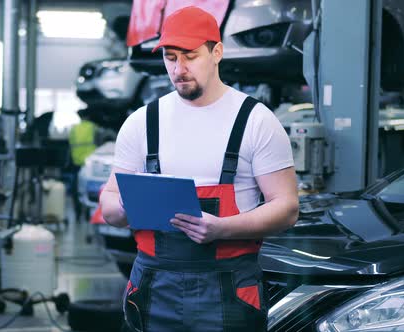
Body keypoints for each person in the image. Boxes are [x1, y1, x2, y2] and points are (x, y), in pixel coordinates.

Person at [100, 6, 299, 332]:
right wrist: (123, 207)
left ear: (216, 52)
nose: (179, 69)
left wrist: (223, 228)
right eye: (170, 57)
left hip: (228, 289)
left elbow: (287, 208)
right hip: (153, 287)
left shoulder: (255, 120)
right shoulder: (143, 123)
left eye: (190, 56)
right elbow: (109, 202)